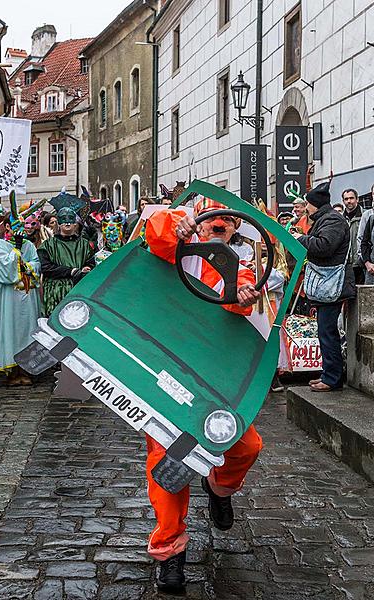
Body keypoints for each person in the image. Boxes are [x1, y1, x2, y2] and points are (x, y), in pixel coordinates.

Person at [144, 197, 263, 593]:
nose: (222, 223)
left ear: (234, 229)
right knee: (167, 465)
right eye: (215, 217)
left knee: (247, 446)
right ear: (202, 220)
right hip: (165, 373)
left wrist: (244, 298)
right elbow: (156, 231)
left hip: (210, 380)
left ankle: (218, 487)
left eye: (229, 220)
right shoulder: (174, 248)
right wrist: (179, 223)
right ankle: (170, 552)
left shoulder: (236, 265)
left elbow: (240, 294)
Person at [292, 182, 355, 392]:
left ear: (314, 205)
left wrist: (300, 239)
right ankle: (329, 374)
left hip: (331, 285)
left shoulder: (332, 221)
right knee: (325, 332)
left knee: (328, 333)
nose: (305, 208)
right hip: (328, 283)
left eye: (307, 204)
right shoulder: (327, 219)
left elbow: (324, 246)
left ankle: (332, 378)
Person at [0, 209, 41, 385]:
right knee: (11, 329)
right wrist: (16, 250)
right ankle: (12, 372)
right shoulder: (0, 246)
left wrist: (29, 267)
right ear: (7, 227)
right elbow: (4, 271)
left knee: (28, 330)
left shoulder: (29, 245)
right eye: (15, 226)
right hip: (9, 299)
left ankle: (26, 369)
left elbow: (36, 263)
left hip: (27, 297)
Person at [38, 207, 95, 316]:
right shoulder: (48, 245)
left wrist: (87, 267)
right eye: (64, 219)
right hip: (55, 292)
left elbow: (91, 261)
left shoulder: (85, 244)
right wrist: (70, 271)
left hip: (79, 290)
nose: (67, 223)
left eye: (70, 219)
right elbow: (45, 267)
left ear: (75, 223)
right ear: (58, 223)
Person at [342, 188, 364, 284]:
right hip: (346, 263)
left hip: (362, 263)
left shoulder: (365, 216)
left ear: (357, 199)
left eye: (351, 198)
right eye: (346, 199)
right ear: (343, 201)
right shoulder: (340, 219)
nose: (349, 201)